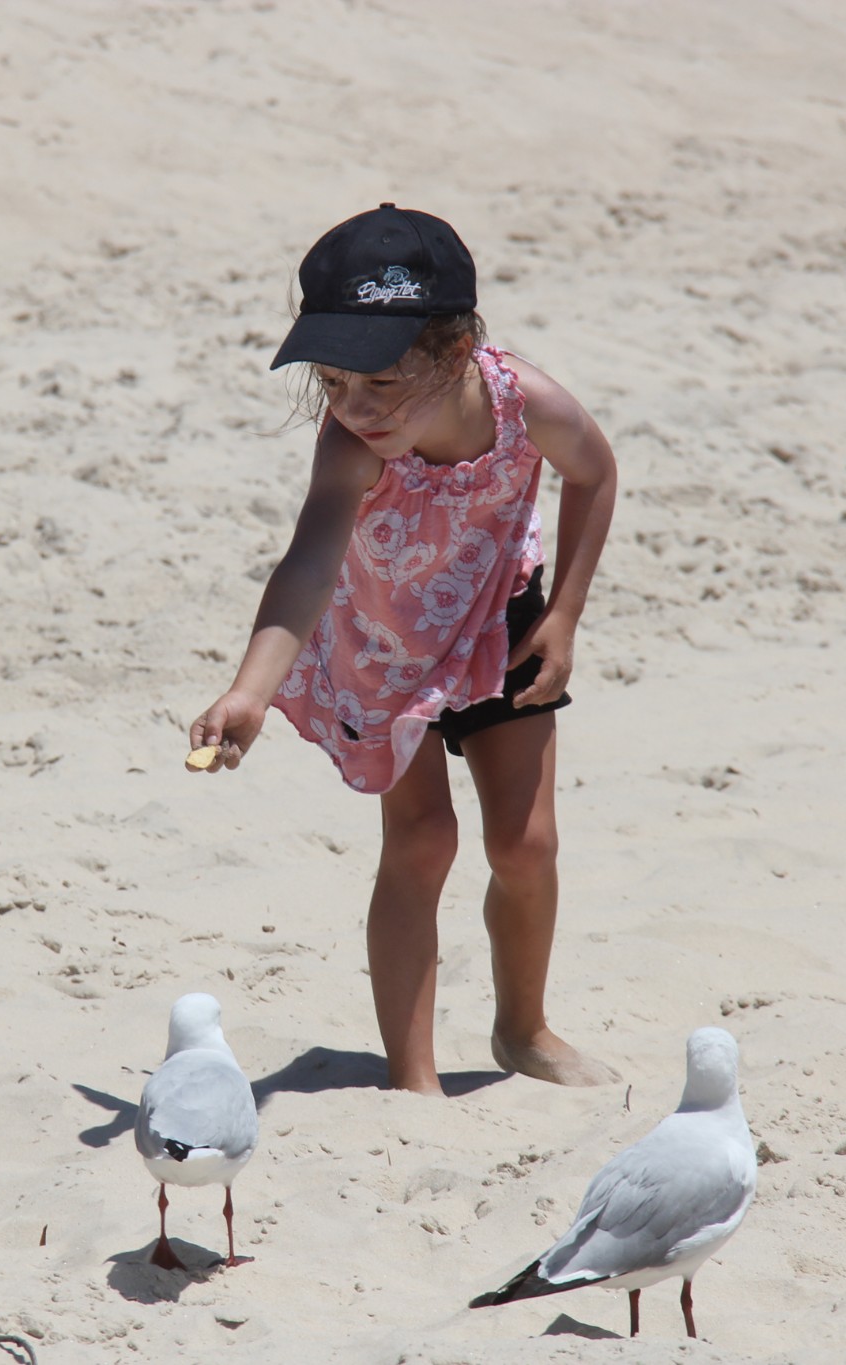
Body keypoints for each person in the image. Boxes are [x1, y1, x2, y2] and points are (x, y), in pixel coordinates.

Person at [188, 204, 620, 1095]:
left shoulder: (524, 405)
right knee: (423, 843)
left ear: (456, 352)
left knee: (526, 844)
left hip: (501, 616)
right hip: (381, 644)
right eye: (333, 381)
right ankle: (414, 1078)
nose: (352, 406)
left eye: (378, 384)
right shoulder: (350, 447)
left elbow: (595, 473)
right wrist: (249, 692)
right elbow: (307, 564)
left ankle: (523, 1027)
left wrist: (565, 616)